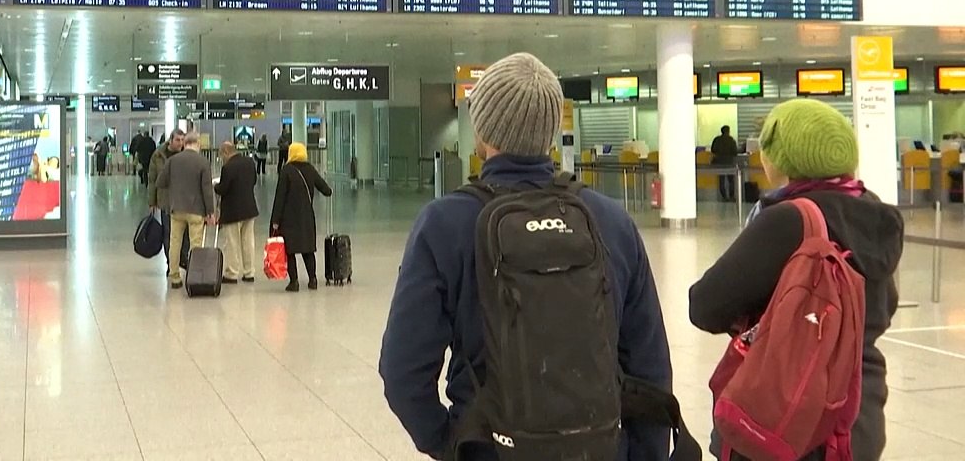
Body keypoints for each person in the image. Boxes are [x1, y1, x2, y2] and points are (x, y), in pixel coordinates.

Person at [378, 53, 672, 460]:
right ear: (551, 132)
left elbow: (403, 372)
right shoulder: (611, 221)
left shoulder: (445, 224)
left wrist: (450, 443)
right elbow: (650, 367)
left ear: (482, 130)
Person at [689, 99, 904, 461]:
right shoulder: (877, 213)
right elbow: (882, 308)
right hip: (860, 414)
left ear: (782, 158)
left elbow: (706, 306)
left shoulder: (788, 219)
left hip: (792, 415)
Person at [156, 130, 216, 289]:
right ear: (197, 144)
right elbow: (207, 190)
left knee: (175, 242)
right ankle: (194, 276)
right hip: (196, 210)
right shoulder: (203, 162)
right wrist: (211, 212)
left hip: (176, 209)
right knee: (195, 244)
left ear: (185, 143)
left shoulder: (173, 161)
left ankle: (174, 276)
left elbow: (160, 182)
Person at [269, 142, 331, 292]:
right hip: (307, 217)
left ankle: (294, 282)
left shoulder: (287, 170)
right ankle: (313, 280)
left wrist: (275, 220)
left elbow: (280, 197)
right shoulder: (310, 169)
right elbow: (326, 189)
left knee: (290, 251)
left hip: (289, 218)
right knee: (308, 250)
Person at [215, 141, 259, 284]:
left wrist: (215, 186)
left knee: (232, 243)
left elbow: (223, 189)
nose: (222, 158)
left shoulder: (228, 167)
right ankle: (249, 272)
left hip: (232, 210)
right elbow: (254, 181)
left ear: (226, 152)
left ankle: (232, 273)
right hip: (249, 208)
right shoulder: (249, 162)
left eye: (222, 155)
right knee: (248, 242)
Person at [148, 129, 186, 279]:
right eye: (178, 140)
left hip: (184, 201)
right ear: (170, 140)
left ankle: (183, 259)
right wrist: (152, 201)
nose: (181, 143)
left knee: (186, 235)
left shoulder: (186, 155)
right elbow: (152, 179)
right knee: (168, 233)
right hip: (166, 201)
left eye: (183, 140)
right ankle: (171, 263)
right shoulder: (158, 156)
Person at [711, 124, 740, 202]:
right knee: (731, 180)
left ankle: (724, 197)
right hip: (729, 162)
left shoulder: (717, 140)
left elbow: (713, 150)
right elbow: (735, 152)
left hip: (719, 163)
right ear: (728, 131)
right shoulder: (731, 140)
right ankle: (731, 196)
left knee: (722, 180)